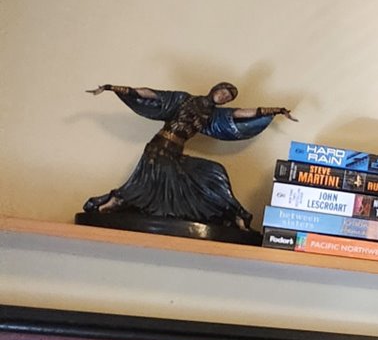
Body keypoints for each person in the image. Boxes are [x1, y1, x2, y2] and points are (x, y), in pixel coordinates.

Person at [81, 82, 295, 231]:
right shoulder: (183, 99)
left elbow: (243, 113)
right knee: (148, 183)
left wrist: (275, 110)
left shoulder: (214, 115)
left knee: (213, 172)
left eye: (227, 97)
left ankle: (231, 212)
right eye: (223, 92)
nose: (223, 97)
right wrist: (114, 88)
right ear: (215, 89)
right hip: (160, 148)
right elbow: (151, 94)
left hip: (176, 153)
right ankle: (115, 201)